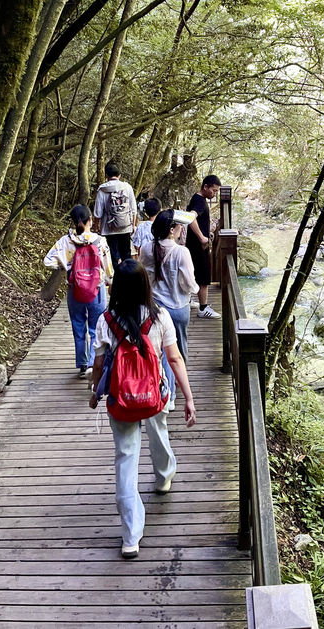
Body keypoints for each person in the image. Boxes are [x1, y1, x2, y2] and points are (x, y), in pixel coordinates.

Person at [89, 259, 195, 559]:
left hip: (120, 398)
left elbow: (99, 364)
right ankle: (164, 476)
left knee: (125, 457)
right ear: (145, 285)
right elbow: (174, 360)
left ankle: (130, 537)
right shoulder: (159, 317)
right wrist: (188, 398)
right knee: (158, 429)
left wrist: (96, 393)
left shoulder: (105, 320)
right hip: (154, 394)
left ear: (117, 288)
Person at [44, 205, 113, 378]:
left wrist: (65, 266)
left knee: (78, 325)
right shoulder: (100, 241)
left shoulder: (65, 242)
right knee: (95, 327)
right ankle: (92, 363)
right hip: (96, 291)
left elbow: (47, 261)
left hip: (74, 289)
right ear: (90, 220)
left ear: (73, 222)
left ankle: (82, 364)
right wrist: (108, 280)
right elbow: (109, 269)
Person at [140, 209, 199, 404]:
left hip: (155, 307)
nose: (182, 229)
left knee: (160, 349)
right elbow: (188, 283)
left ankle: (166, 387)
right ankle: (172, 393)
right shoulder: (182, 252)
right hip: (178, 306)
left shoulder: (146, 248)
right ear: (172, 229)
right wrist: (196, 289)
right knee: (177, 350)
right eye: (180, 226)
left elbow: (145, 276)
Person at [185, 174, 222, 318]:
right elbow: (191, 218)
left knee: (193, 273)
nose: (214, 194)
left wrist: (206, 233)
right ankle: (203, 308)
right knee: (204, 277)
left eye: (217, 192)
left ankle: (189, 301)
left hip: (192, 245)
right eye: (213, 190)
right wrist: (201, 237)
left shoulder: (196, 198)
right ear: (205, 187)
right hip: (198, 247)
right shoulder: (200, 202)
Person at [93, 161, 137, 271]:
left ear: (106, 175)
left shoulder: (102, 190)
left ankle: (115, 280)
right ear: (119, 176)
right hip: (125, 227)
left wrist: (96, 226)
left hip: (108, 228)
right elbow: (133, 209)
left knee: (112, 256)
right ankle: (128, 279)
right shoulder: (127, 187)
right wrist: (133, 225)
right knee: (126, 254)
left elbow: (98, 212)